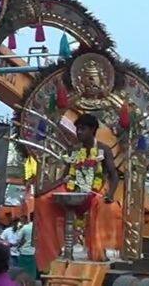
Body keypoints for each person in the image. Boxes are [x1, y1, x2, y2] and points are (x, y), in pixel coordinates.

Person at [34, 113, 122, 271]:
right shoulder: (74, 150)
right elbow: (65, 177)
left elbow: (114, 175)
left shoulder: (103, 149)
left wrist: (111, 194)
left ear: (93, 130)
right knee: (43, 201)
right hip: (73, 187)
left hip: (96, 191)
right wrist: (44, 191)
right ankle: (54, 250)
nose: (78, 132)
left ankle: (98, 251)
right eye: (77, 129)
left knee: (106, 205)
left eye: (82, 129)